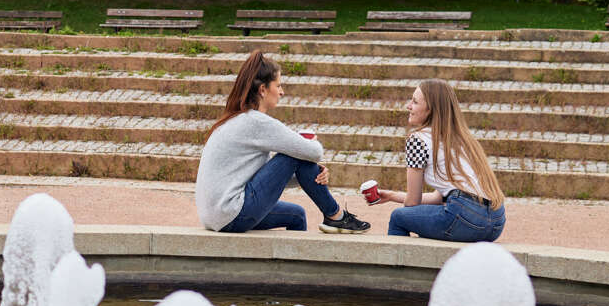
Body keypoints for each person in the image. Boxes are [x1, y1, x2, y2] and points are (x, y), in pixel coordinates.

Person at [196, 51, 370, 234]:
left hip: (216, 216)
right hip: (232, 213)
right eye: (278, 86)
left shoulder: (237, 119)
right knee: (294, 155)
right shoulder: (256, 122)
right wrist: (309, 152)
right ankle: (336, 216)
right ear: (263, 90)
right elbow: (314, 152)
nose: (282, 92)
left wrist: (311, 174)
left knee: (297, 215)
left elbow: (269, 180)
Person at [373, 78, 506, 242]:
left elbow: (412, 203)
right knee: (427, 220)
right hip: (496, 222)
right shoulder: (462, 138)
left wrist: (411, 215)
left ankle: (400, 267)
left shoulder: (417, 139)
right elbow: (437, 198)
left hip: (464, 217)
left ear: (430, 109)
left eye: (414, 102)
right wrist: (392, 195)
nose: (408, 106)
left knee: (399, 217)